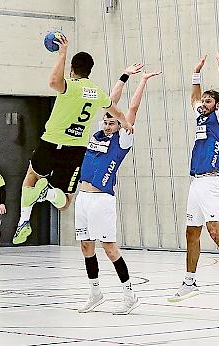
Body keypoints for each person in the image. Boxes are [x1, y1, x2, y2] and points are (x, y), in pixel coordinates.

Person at [13, 34, 131, 244]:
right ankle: (49, 193)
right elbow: (116, 111)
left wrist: (62, 53)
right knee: (65, 201)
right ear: (90, 70)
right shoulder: (97, 91)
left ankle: (24, 221)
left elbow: (53, 81)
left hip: (51, 141)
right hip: (76, 149)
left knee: (31, 177)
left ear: (72, 69)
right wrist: (127, 123)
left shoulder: (71, 86)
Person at [77, 69, 161, 315]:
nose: (106, 123)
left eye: (111, 121)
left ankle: (129, 294)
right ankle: (95, 292)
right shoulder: (96, 135)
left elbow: (129, 110)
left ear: (119, 124)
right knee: (86, 246)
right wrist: (123, 75)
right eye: (105, 120)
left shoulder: (123, 139)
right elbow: (110, 103)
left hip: (102, 198)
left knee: (109, 248)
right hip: (83, 197)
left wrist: (141, 81)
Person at [168, 48, 219, 302]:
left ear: (216, 106)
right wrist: (196, 73)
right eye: (203, 101)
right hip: (196, 182)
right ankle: (190, 281)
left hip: (213, 181)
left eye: (208, 101)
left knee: (214, 230)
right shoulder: (200, 117)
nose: (203, 103)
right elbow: (193, 98)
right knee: (192, 232)